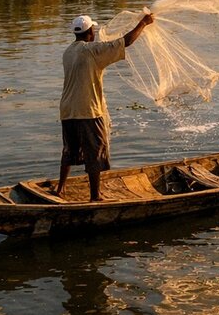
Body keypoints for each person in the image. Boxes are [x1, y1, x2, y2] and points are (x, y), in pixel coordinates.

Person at [54, 11, 154, 201]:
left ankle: (60, 189)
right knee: (95, 153)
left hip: (67, 110)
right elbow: (126, 41)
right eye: (93, 29)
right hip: (88, 110)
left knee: (69, 150)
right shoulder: (92, 50)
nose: (95, 32)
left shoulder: (68, 52)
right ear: (90, 32)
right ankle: (94, 197)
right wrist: (144, 22)